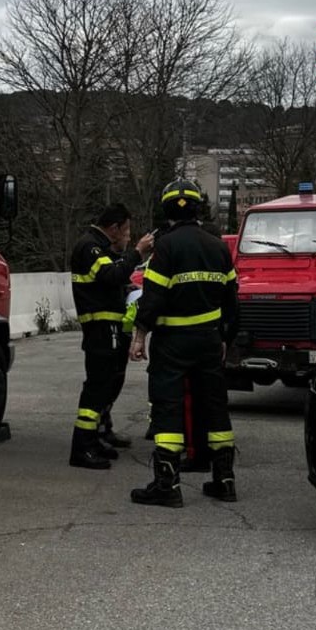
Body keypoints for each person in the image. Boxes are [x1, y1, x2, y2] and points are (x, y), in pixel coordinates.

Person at [128, 180, 239, 507]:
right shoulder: (218, 246)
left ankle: (167, 484)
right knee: (216, 407)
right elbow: (233, 302)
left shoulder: (166, 247)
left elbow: (154, 297)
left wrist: (139, 335)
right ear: (197, 208)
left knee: (168, 407)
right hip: (208, 341)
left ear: (166, 210)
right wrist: (225, 338)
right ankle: (225, 481)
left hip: (173, 343)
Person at [69, 203, 154, 470]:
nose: (128, 237)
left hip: (110, 328)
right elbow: (110, 274)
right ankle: (82, 447)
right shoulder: (90, 246)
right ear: (114, 228)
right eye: (126, 231)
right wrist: (137, 253)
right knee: (97, 386)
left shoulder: (101, 248)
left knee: (108, 383)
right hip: (99, 329)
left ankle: (97, 437)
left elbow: (111, 280)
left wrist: (125, 286)